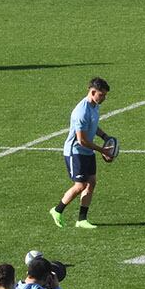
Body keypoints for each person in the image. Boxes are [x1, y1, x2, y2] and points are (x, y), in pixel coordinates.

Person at [49, 77, 115, 229]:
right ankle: (57, 210)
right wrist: (102, 150)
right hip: (75, 152)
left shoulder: (94, 106)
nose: (104, 98)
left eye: (105, 95)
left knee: (91, 183)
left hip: (88, 151)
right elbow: (81, 140)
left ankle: (82, 219)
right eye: (101, 95)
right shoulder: (81, 112)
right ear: (92, 92)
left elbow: (94, 126)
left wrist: (105, 137)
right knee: (80, 185)